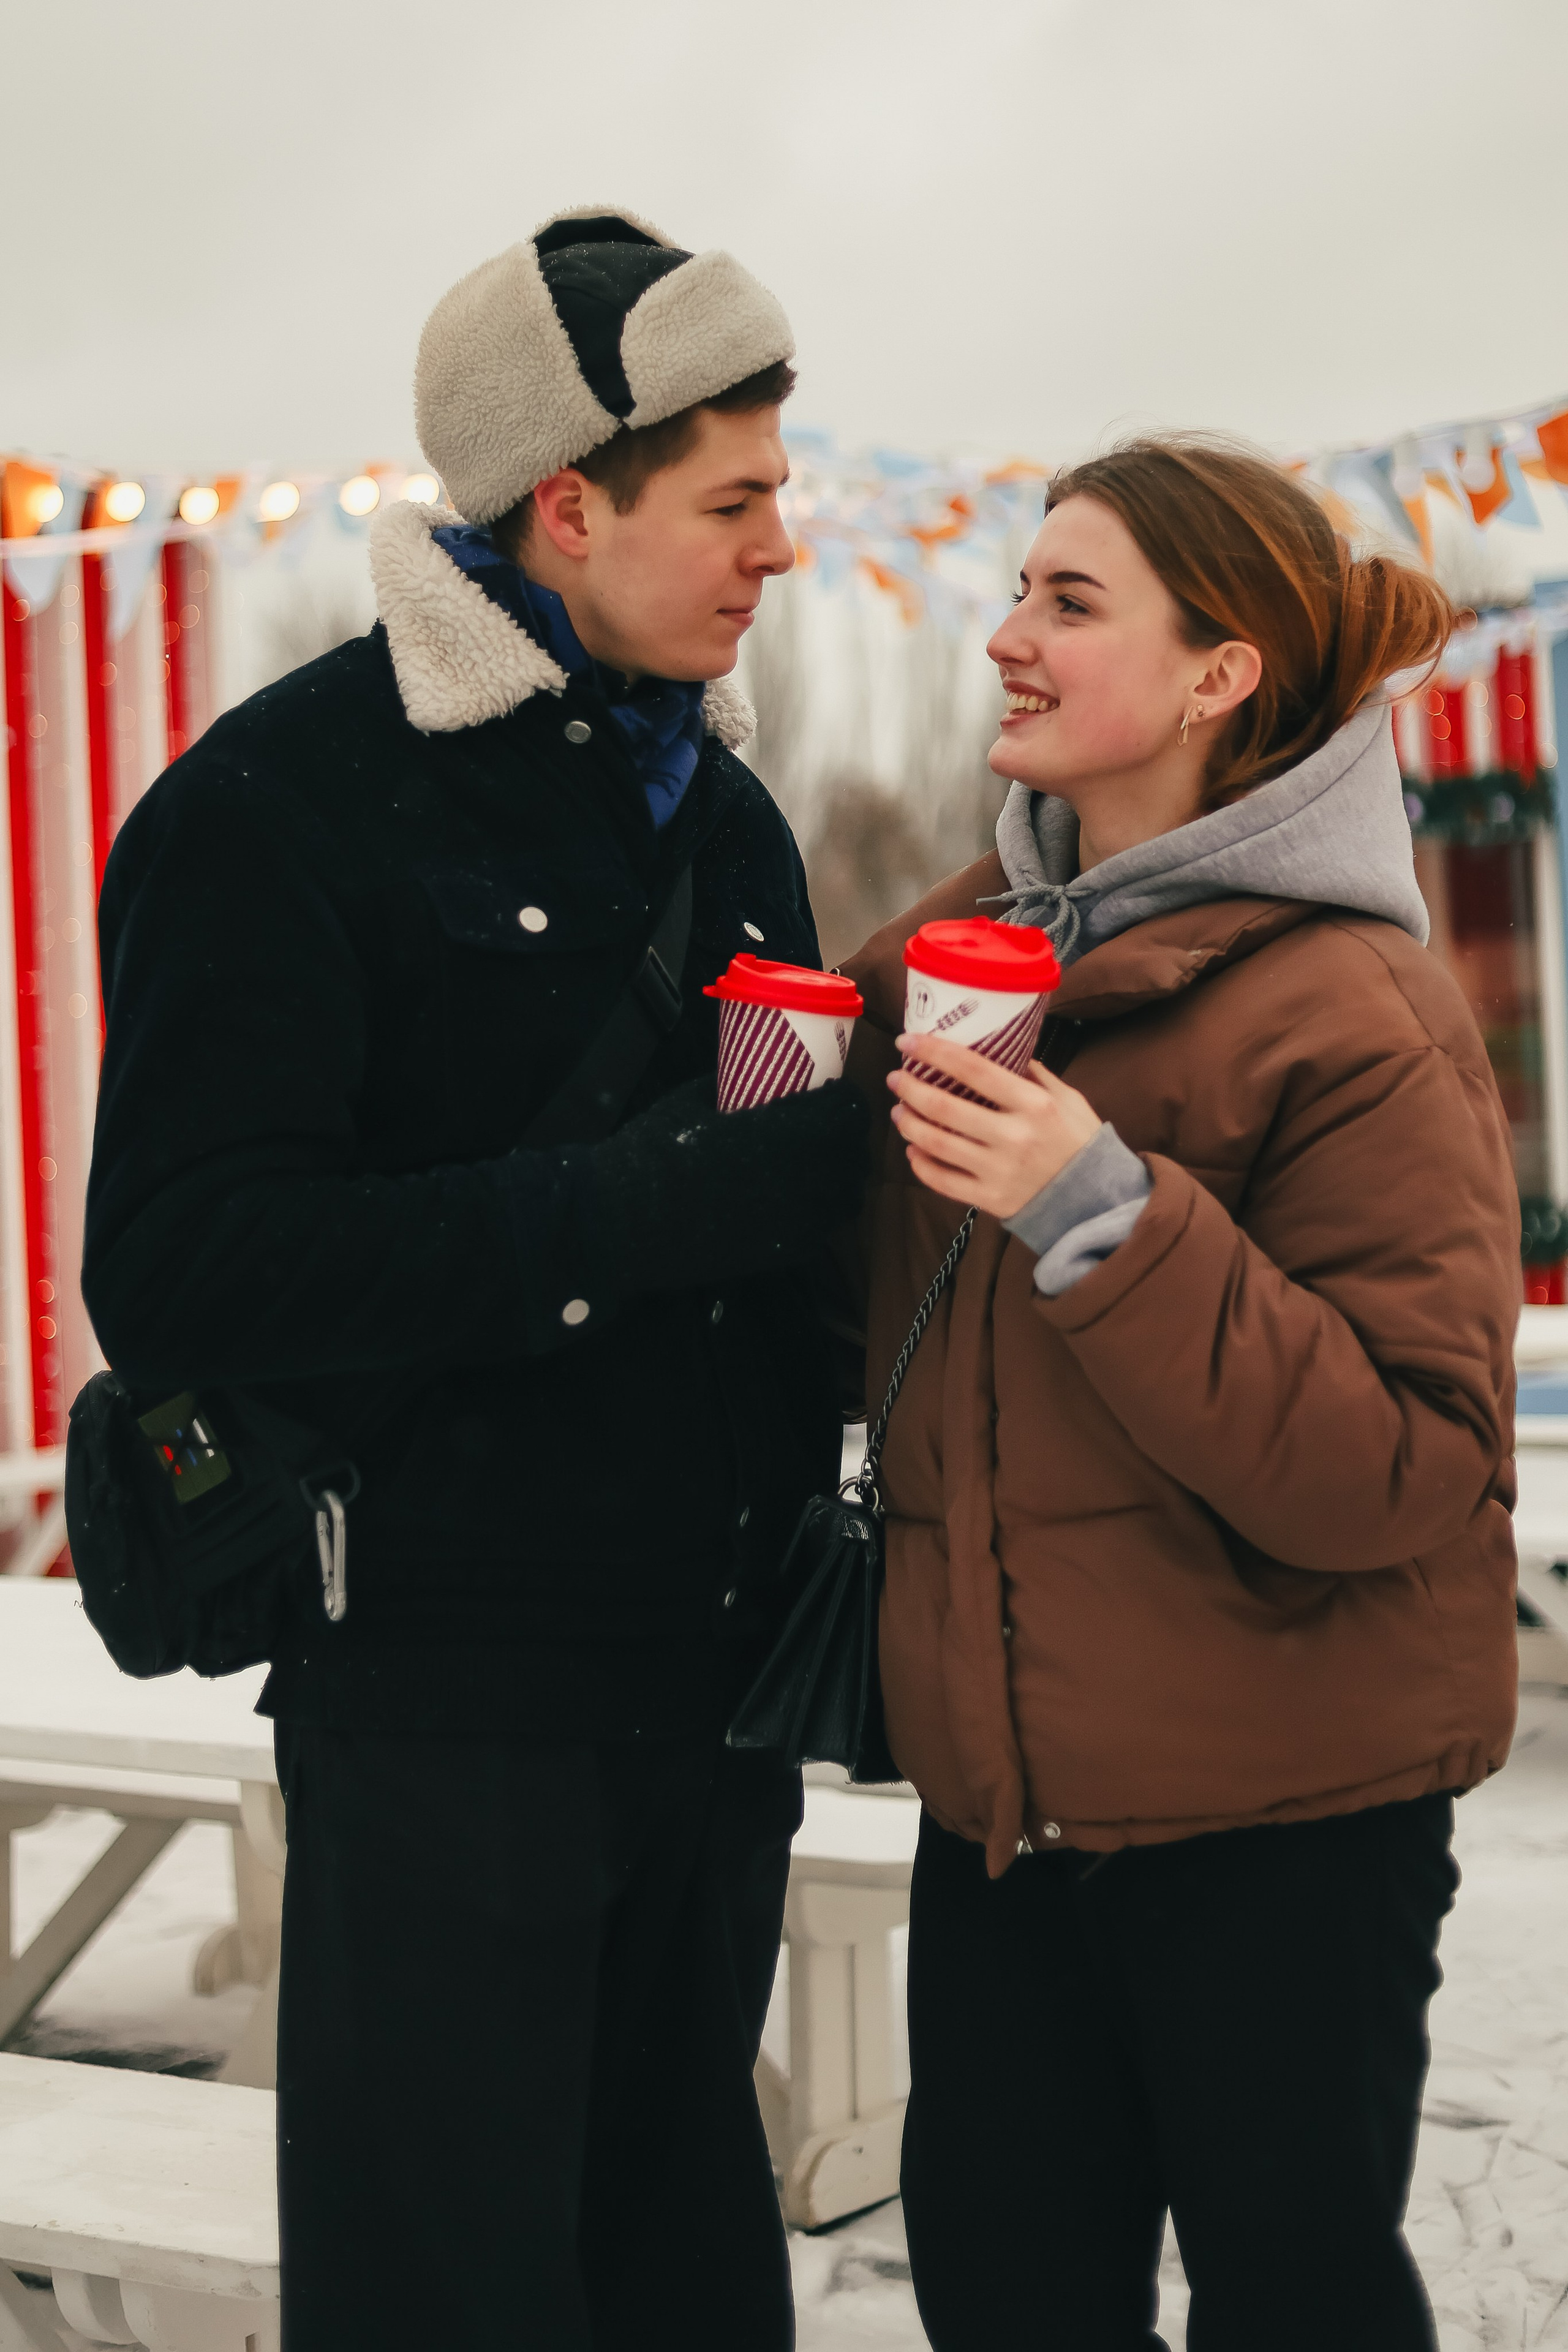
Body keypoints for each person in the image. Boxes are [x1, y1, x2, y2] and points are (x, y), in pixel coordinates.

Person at [82, 208, 867, 2351]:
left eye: (781, 494)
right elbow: (176, 1269)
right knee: (451, 2300)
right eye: (735, 498)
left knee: (689, 2291)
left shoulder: (729, 824)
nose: (777, 547)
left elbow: (773, 1227)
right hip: (439, 1705)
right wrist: (648, 1213)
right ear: (568, 504)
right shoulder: (274, 809)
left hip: (706, 1708)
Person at [840, 437, 1519, 2352]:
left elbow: (1408, 1469)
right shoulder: (955, 966)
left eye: (1070, 601)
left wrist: (1105, 1214)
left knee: (1292, 2304)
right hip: (1012, 1826)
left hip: (1285, 1825)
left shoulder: (1357, 1012)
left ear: (1223, 672)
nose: (1006, 643)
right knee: (1007, 2299)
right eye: (1017, 594)